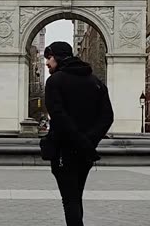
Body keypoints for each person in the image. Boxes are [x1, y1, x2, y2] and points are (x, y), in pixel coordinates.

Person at [44, 41, 114, 226]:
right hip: (86, 152)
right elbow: (107, 117)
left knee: (70, 200)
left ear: (58, 57)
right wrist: (89, 141)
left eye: (49, 58)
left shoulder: (55, 81)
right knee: (76, 197)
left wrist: (79, 141)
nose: (47, 63)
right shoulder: (96, 82)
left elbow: (59, 117)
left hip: (64, 151)